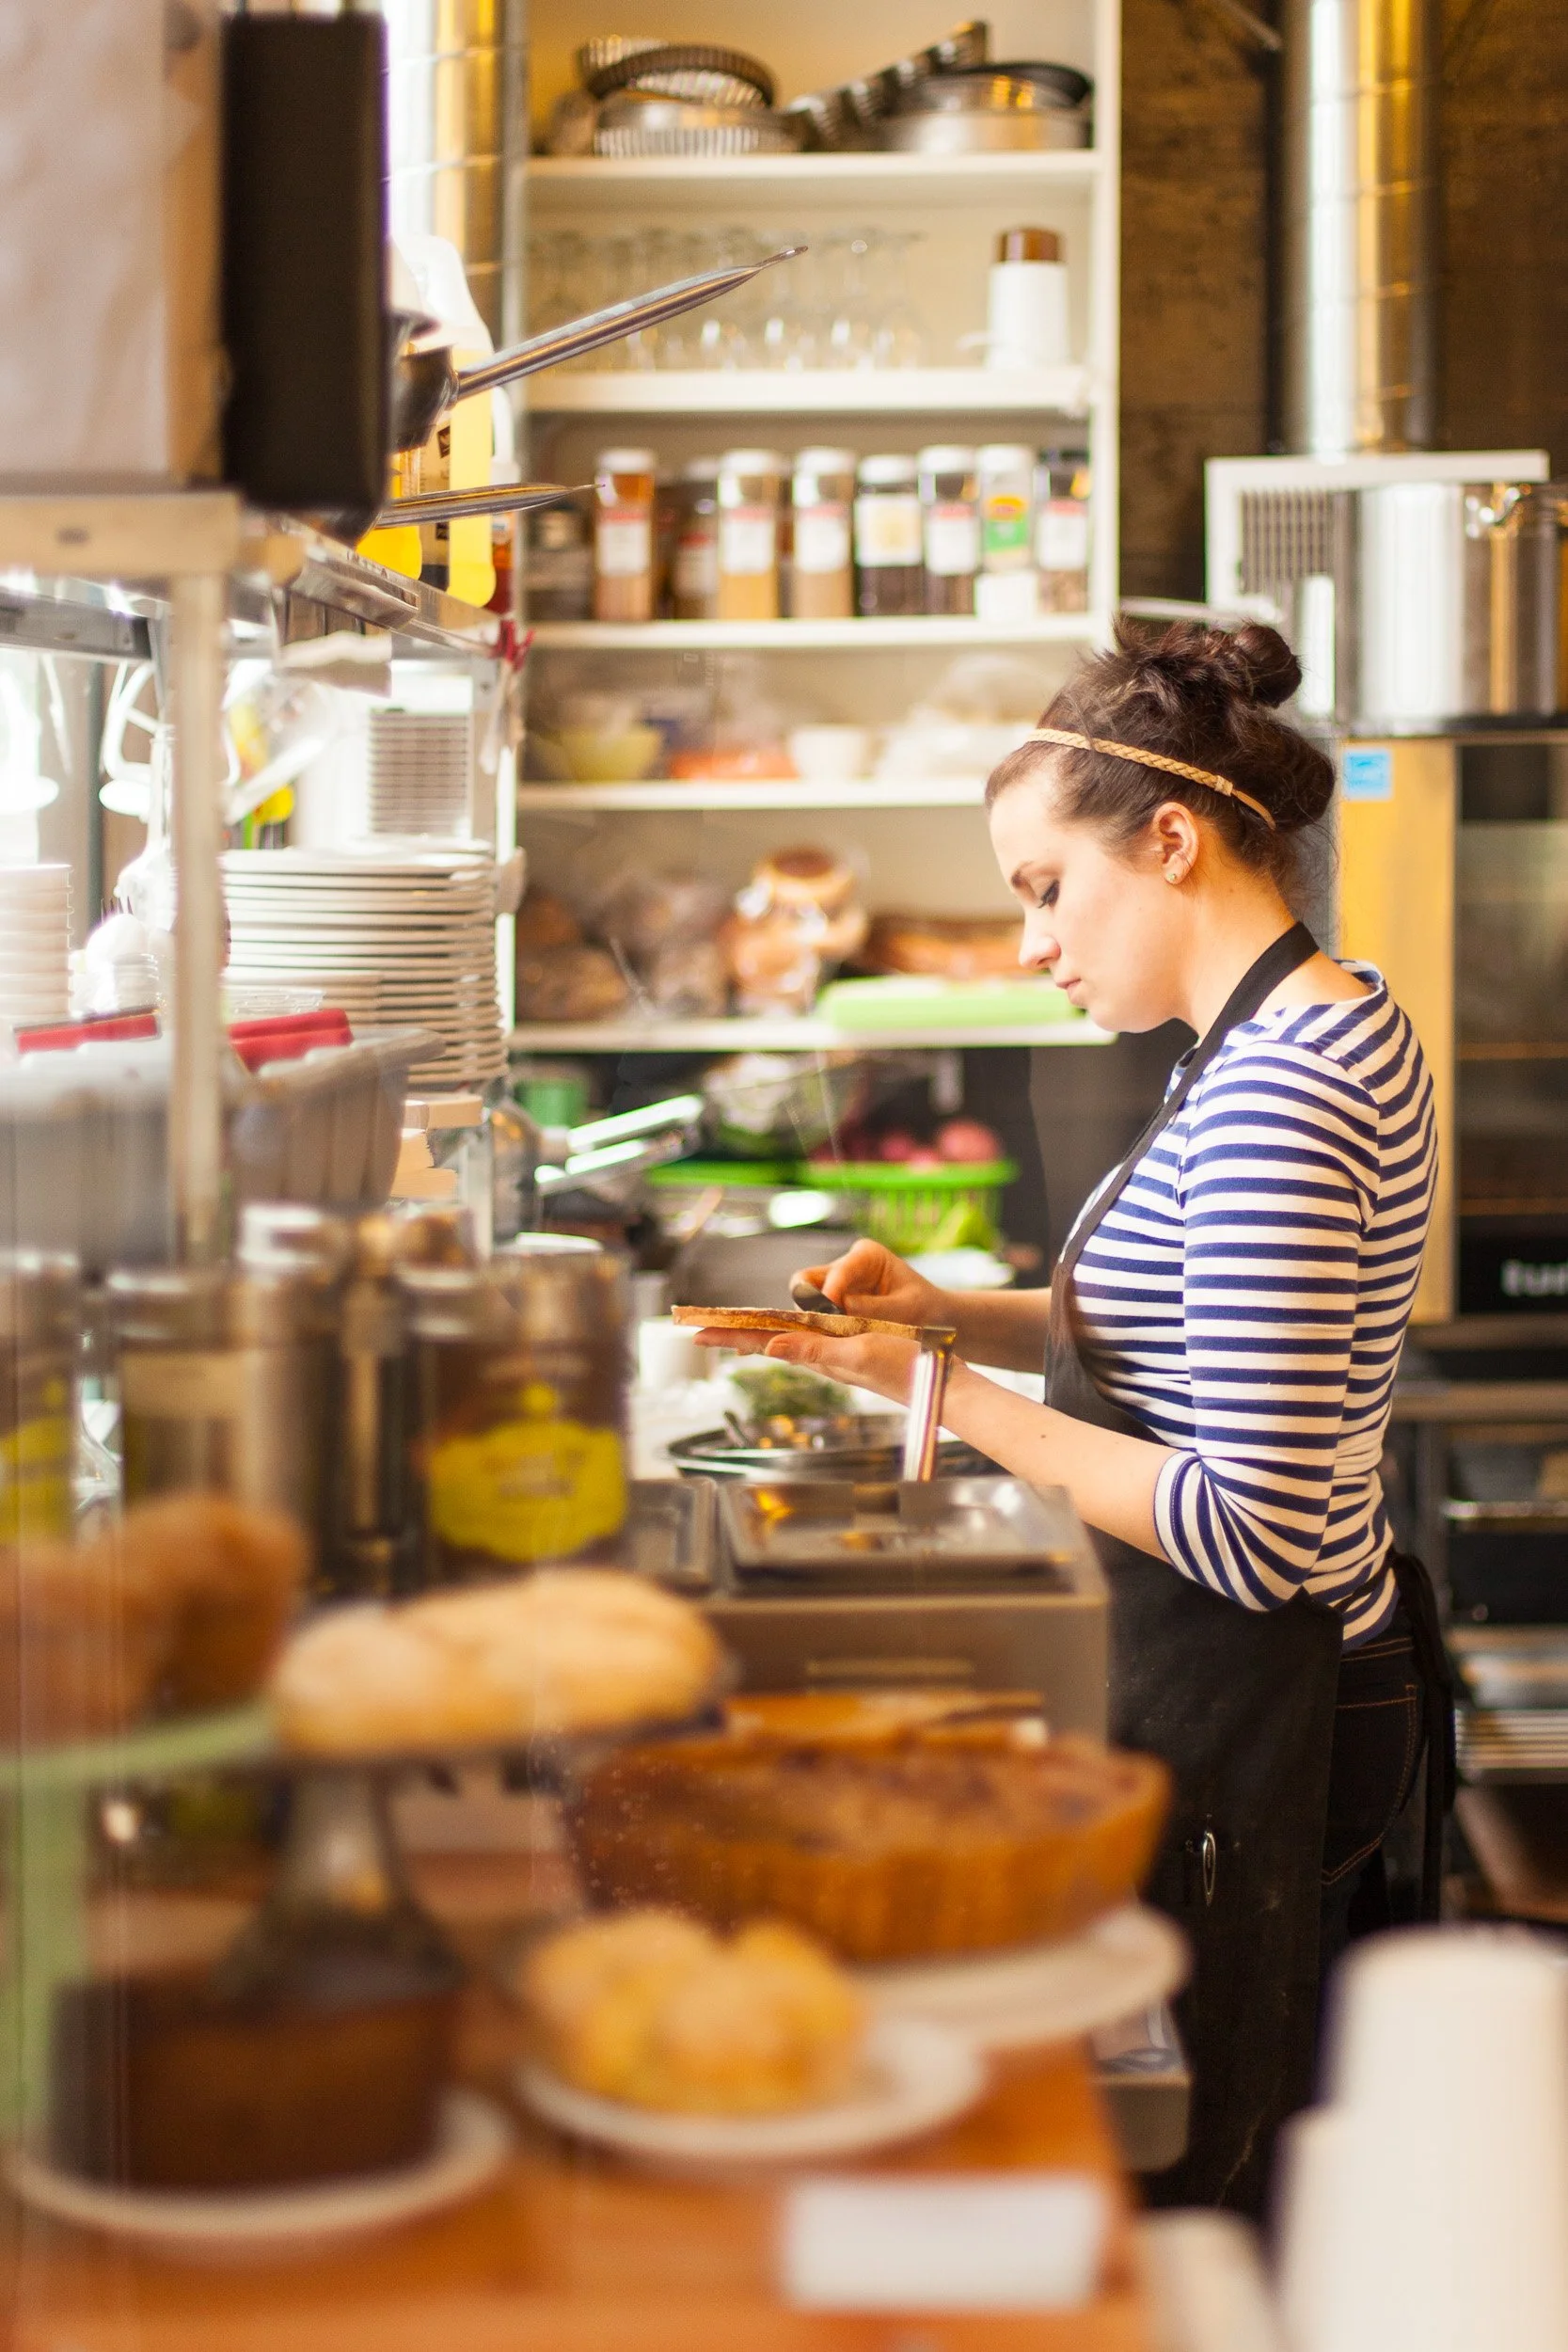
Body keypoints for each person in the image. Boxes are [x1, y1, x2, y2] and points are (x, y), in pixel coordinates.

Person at [694, 619, 1450, 2214]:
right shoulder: (1297, 1029)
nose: (1031, 940)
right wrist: (948, 1318)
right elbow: (1200, 1327)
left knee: (1200, 2168)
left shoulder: (1279, 1094)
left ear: (1170, 841)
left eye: (1046, 887)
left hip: (1263, 1696)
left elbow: (1249, 1535)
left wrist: (939, 1390)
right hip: (1279, 1680)